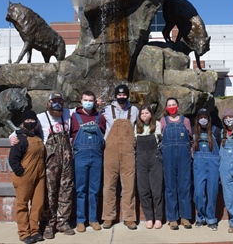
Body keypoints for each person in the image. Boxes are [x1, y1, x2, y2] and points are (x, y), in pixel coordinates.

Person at [33, 92, 77, 238]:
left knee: (67, 189)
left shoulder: (68, 114)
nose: (57, 104)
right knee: (49, 192)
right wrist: (13, 138)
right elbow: (21, 130)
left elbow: (85, 109)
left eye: (60, 101)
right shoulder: (41, 117)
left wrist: (95, 105)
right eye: (54, 101)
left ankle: (62, 222)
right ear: (48, 103)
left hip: (66, 159)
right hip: (50, 161)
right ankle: (48, 224)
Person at [101, 84, 139, 230]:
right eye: (119, 95)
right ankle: (108, 217)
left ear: (127, 96)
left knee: (129, 185)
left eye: (124, 95)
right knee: (109, 184)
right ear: (115, 95)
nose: (121, 97)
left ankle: (129, 217)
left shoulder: (134, 110)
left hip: (129, 151)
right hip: (110, 150)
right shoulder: (106, 110)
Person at [69, 90, 107, 233]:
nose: (88, 102)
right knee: (80, 190)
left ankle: (93, 219)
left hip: (96, 156)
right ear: (81, 101)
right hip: (81, 156)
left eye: (91, 100)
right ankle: (80, 220)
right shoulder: (74, 116)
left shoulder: (100, 116)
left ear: (94, 101)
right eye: (86, 100)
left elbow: (103, 133)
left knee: (94, 189)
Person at [8, 109, 46, 244]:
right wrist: (21, 173)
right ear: (23, 122)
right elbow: (13, 159)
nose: (30, 122)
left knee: (38, 204)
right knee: (22, 205)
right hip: (24, 176)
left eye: (32, 120)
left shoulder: (37, 137)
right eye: (27, 120)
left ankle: (35, 231)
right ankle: (24, 233)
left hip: (40, 175)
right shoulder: (19, 138)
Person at [160, 97, 193, 230]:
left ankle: (185, 217)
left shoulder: (186, 121)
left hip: (184, 157)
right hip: (168, 157)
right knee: (170, 187)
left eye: (174, 104)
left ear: (178, 106)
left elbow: (190, 139)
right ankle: (172, 218)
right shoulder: (163, 121)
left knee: (184, 186)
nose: (172, 107)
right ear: (166, 108)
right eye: (169, 105)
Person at [135, 104, 164, 229]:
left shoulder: (157, 124)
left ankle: (158, 218)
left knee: (157, 189)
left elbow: (159, 139)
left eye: (146, 113)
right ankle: (149, 217)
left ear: (151, 114)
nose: (144, 115)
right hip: (141, 159)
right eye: (142, 113)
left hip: (155, 158)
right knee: (143, 190)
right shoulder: (136, 127)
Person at [192, 108, 221, 231]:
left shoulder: (216, 131)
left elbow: (221, 147)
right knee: (198, 192)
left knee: (212, 192)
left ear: (209, 118)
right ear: (197, 118)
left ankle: (211, 219)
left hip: (213, 164)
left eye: (205, 116)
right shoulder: (194, 131)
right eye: (201, 116)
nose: (203, 119)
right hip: (199, 165)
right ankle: (200, 216)